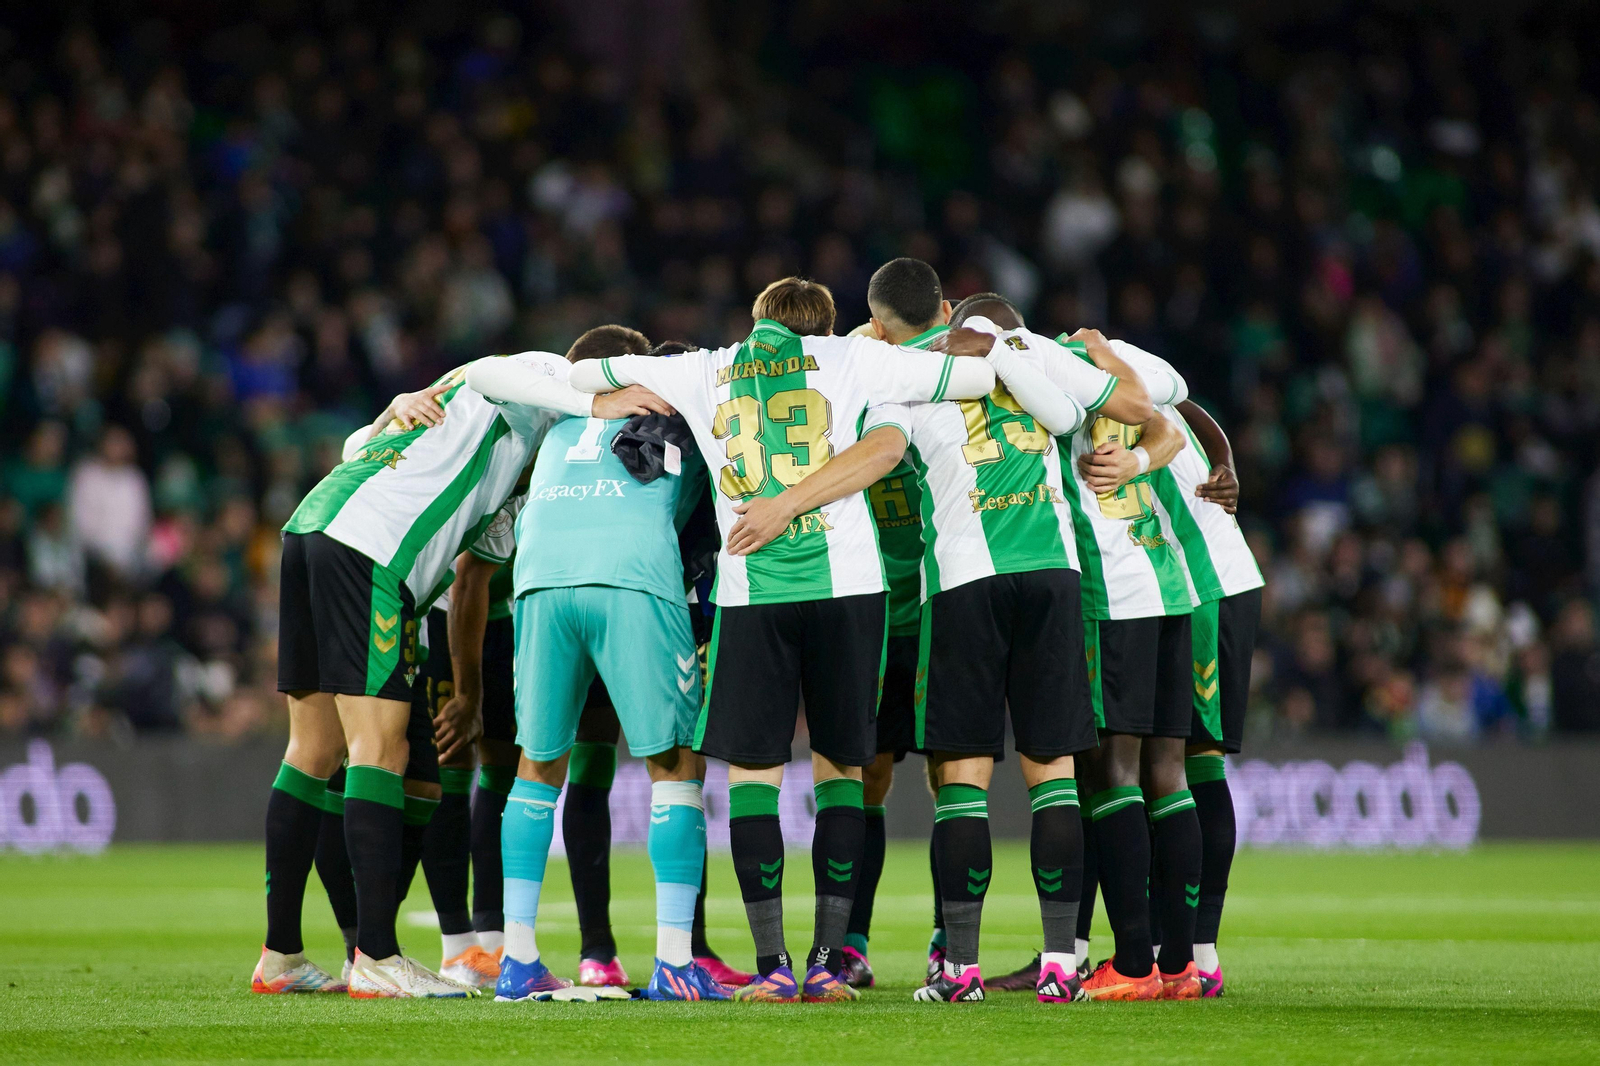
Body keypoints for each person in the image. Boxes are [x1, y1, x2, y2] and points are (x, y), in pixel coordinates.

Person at [567, 277, 996, 1003]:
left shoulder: (705, 367)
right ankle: (828, 964)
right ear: (827, 326)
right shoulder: (855, 361)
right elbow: (979, 374)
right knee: (841, 776)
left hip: (752, 596)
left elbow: (579, 370)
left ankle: (770, 967)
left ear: (760, 319)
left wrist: (602, 400)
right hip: (850, 592)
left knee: (753, 781)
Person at [262, 350, 659, 999]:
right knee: (378, 749)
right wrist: (593, 401)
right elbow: (484, 370)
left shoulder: (499, 471)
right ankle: (376, 956)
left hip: (314, 525)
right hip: (370, 550)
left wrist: (392, 409)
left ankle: (280, 956)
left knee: (314, 749)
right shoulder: (545, 382)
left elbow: (361, 443)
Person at [466, 326, 731, 1002]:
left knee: (537, 763)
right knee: (674, 764)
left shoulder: (557, 414)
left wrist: (584, 401)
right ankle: (675, 961)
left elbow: (483, 373)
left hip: (542, 581)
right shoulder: (681, 412)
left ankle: (518, 961)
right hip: (632, 579)